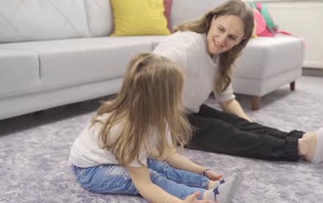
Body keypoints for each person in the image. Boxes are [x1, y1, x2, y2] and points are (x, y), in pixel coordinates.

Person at [154, 0, 323, 163]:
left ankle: (304, 138)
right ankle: (301, 148)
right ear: (212, 19)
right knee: (224, 131)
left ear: (240, 41)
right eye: (220, 29)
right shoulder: (186, 45)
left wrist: (249, 128)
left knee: (234, 122)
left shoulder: (221, 57)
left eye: (232, 37)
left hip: (183, 109)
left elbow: (227, 101)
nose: (222, 40)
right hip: (158, 119)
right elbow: (151, 72)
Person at [69, 53, 242, 203]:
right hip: (91, 170)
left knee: (161, 166)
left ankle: (213, 186)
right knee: (152, 176)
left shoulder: (158, 116)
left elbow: (167, 154)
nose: (180, 97)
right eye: (176, 93)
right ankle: (209, 196)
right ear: (160, 99)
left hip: (118, 155)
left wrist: (203, 172)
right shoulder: (126, 129)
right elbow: (145, 185)